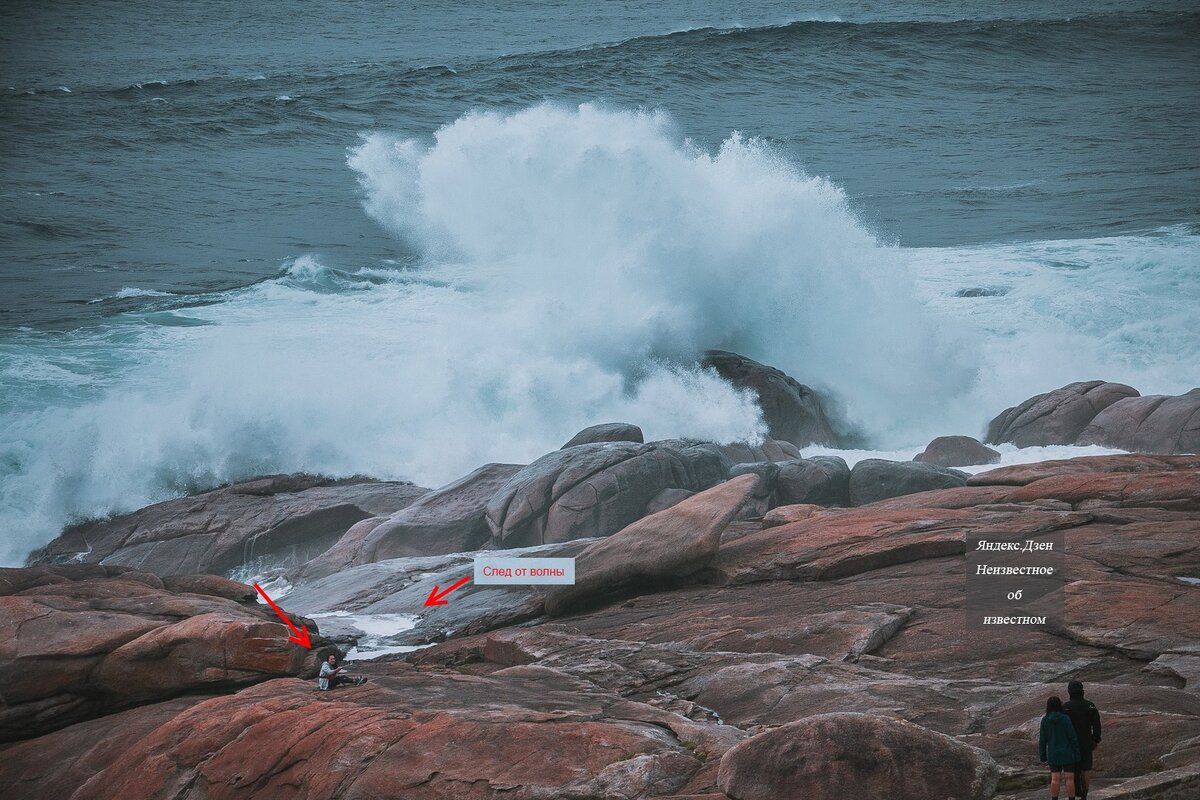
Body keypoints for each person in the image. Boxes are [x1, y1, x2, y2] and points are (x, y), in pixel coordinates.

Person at [1064, 680, 1102, 798]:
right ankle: (1084, 795)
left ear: (1069, 692)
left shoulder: (1065, 707)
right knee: (1086, 769)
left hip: (1070, 744)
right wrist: (1096, 739)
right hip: (1087, 742)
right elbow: (1097, 724)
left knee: (1070, 771)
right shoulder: (1090, 705)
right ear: (1082, 692)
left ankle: (1072, 795)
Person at [1040, 696, 1081, 800]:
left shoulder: (1045, 720)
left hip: (1053, 753)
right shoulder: (1065, 718)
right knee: (1069, 778)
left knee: (1055, 778)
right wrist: (1077, 753)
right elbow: (1072, 737)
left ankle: (1054, 798)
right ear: (1060, 705)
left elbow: (1042, 740)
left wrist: (1043, 755)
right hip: (1067, 752)